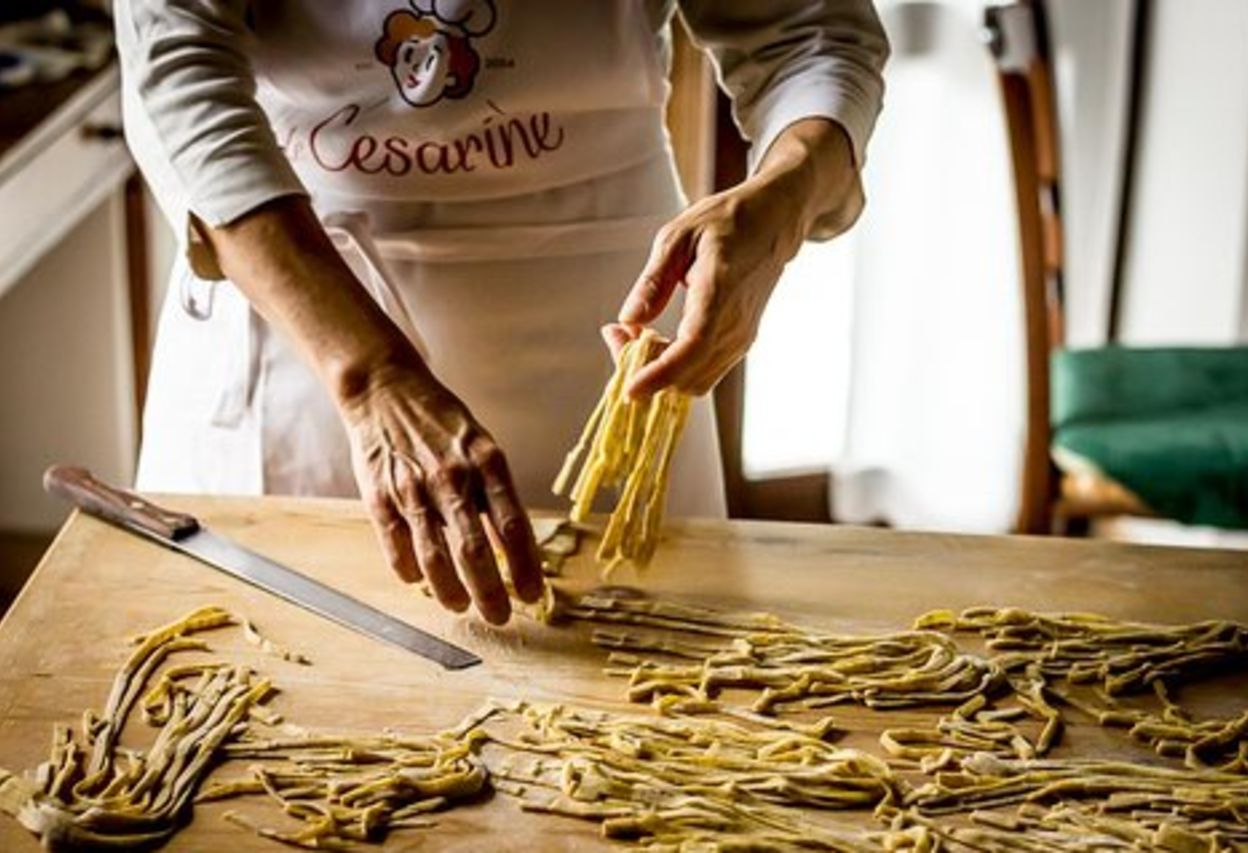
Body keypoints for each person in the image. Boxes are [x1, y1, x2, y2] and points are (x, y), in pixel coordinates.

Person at [115, 0, 888, 626]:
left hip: (607, 318)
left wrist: (783, 198)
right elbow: (179, 73)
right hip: (299, 308)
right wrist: (369, 374)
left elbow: (811, 34)